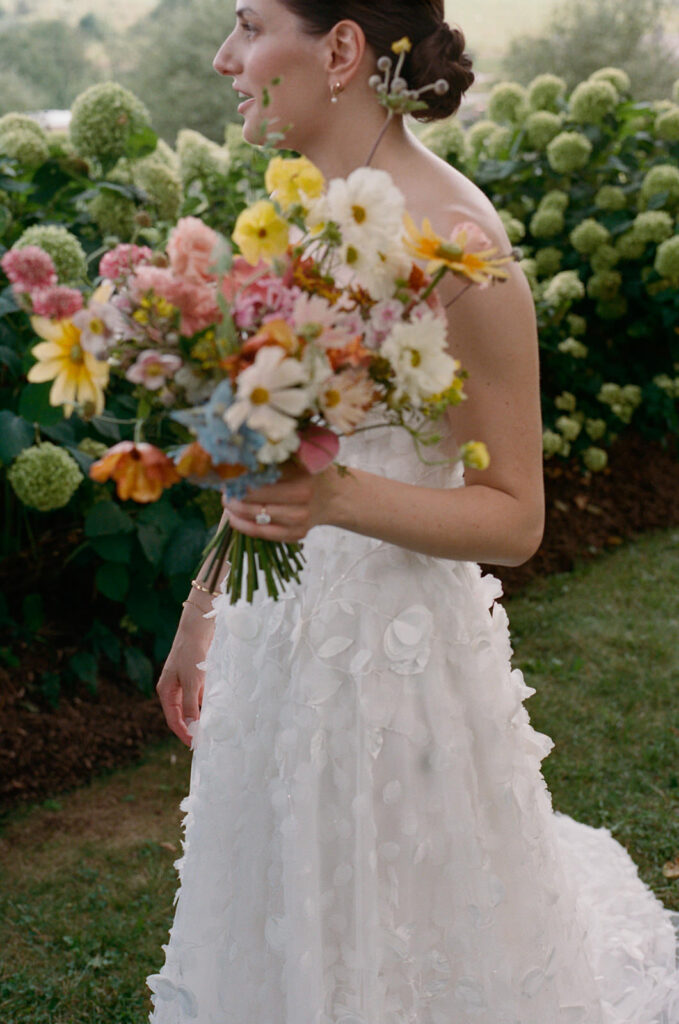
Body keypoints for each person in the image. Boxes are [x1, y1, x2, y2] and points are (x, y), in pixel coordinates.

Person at [149, 2, 679, 1021]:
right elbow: (280, 440)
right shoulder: (313, 208)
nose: (224, 59)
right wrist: (201, 603)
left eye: (249, 25)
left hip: (392, 664)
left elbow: (515, 516)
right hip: (278, 643)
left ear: (341, 50)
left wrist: (339, 497)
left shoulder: (459, 243)